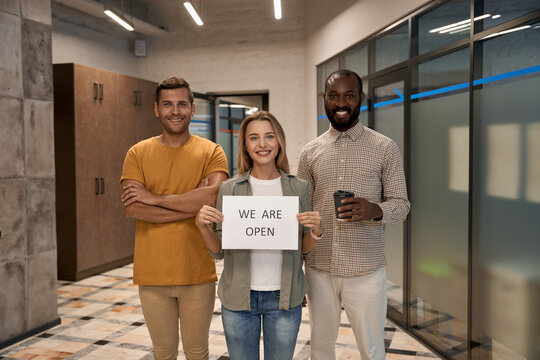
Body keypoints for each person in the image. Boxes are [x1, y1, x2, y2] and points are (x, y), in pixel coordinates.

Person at [297, 69, 410, 360]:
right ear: (325, 99)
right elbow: (300, 212)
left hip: (366, 270)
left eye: (349, 95)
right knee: (320, 346)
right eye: (333, 95)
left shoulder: (385, 147)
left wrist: (375, 210)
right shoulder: (310, 152)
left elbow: (402, 205)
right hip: (319, 268)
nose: (341, 102)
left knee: (371, 349)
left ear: (360, 98)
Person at [195, 111, 323, 360]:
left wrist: (316, 232)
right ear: (245, 145)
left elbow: (303, 248)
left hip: (283, 298)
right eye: (254, 138)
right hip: (238, 298)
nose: (262, 144)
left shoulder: (298, 188)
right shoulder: (229, 189)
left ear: (279, 142)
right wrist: (202, 227)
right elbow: (219, 251)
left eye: (269, 136)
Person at [120, 77, 229, 360]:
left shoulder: (212, 151)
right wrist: (194, 201)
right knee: (163, 353)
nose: (175, 111)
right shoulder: (137, 153)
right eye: (167, 104)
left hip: (197, 273)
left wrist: (154, 198)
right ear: (156, 109)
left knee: (197, 353)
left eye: (182, 104)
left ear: (193, 109)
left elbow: (213, 197)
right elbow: (133, 208)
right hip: (152, 274)